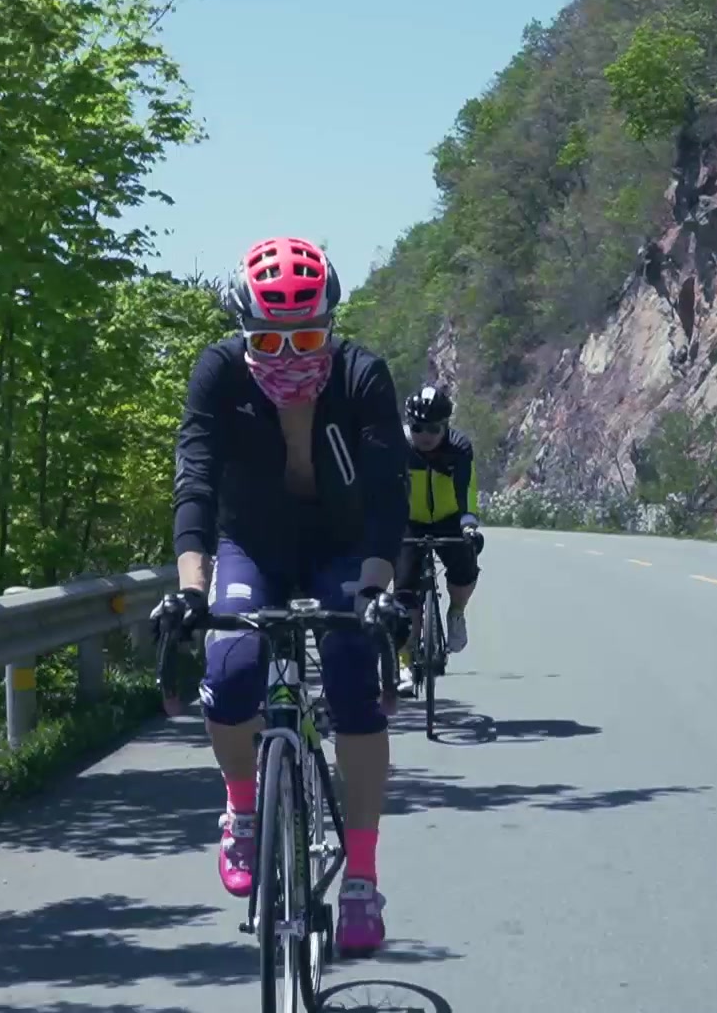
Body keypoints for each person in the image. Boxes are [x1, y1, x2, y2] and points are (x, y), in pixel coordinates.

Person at [153, 235, 411, 958]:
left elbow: (390, 497)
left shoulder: (362, 376)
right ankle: (241, 809)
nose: (290, 351)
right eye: (268, 336)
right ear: (242, 326)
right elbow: (195, 480)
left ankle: (360, 875)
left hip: (341, 549)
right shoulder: (219, 375)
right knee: (231, 672)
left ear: (333, 320)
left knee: (356, 680)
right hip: (253, 546)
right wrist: (190, 591)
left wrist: (377, 589)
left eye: (309, 334)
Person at [394, 384, 483, 694]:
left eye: (434, 428)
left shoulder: (458, 448)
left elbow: (466, 491)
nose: (425, 435)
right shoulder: (397, 446)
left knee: (465, 570)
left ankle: (456, 613)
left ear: (445, 426)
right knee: (404, 592)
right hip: (409, 522)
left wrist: (469, 525)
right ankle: (405, 662)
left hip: (449, 520)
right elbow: (382, 490)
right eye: (418, 427)